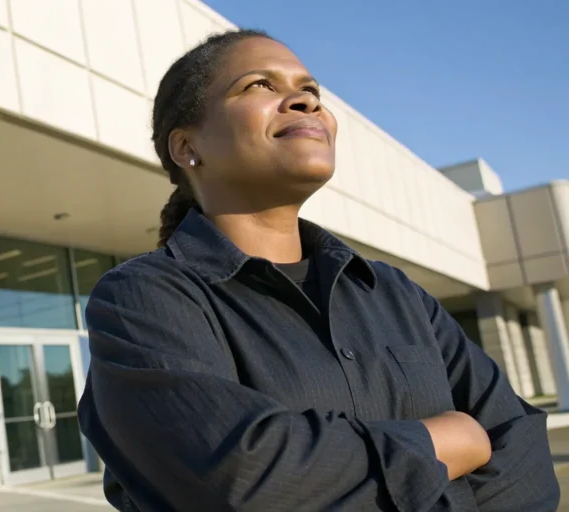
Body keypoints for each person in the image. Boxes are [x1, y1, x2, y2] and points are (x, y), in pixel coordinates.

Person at [77, 29, 559, 511]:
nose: (303, 102)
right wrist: (439, 446)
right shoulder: (141, 300)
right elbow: (243, 482)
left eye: (310, 91)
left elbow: (526, 462)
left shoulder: (396, 293)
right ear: (186, 148)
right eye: (259, 85)